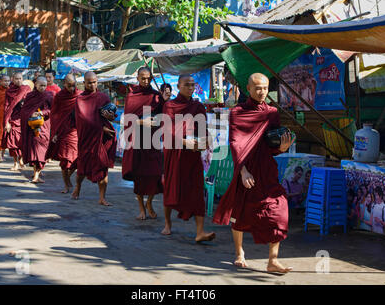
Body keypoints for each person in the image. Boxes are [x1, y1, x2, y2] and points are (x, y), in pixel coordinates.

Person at [213, 73, 295, 274]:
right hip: (246, 169)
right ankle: (239, 253)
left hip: (266, 169)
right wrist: (243, 171)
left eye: (265, 88)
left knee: (279, 209)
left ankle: (273, 260)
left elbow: (271, 144)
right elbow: (235, 143)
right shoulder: (238, 112)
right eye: (257, 88)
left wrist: (282, 148)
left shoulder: (272, 113)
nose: (262, 92)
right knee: (241, 212)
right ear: (247, 88)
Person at [161, 74, 216, 243]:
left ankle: (200, 231)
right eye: (187, 85)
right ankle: (167, 223)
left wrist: (205, 141)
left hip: (192, 154)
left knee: (197, 190)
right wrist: (184, 141)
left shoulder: (198, 106)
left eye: (193, 85)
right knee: (172, 187)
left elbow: (203, 128)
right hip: (175, 152)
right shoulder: (170, 106)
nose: (191, 88)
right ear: (178, 86)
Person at [122, 67, 169, 220]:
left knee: (156, 175)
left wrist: (165, 100)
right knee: (140, 177)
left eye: (148, 78)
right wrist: (142, 121)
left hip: (153, 141)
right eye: (143, 78)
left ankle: (149, 203)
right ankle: (142, 208)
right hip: (137, 142)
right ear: (137, 77)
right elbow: (127, 120)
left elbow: (165, 113)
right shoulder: (132, 96)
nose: (146, 81)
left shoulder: (156, 96)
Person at [72, 71, 117, 206]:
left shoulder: (103, 97)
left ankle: (102, 197)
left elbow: (111, 115)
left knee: (103, 166)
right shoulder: (80, 100)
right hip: (87, 138)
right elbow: (83, 119)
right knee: (82, 168)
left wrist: (110, 117)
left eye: (94, 82)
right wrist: (100, 128)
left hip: (101, 139)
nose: (92, 85)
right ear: (84, 83)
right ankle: (78, 187)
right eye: (89, 82)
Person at [46, 74, 82, 193]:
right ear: (64, 84)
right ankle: (66, 184)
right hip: (63, 130)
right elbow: (55, 114)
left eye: (73, 85)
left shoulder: (80, 95)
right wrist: (54, 132)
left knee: (77, 159)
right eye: (69, 86)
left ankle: (68, 178)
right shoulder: (60, 96)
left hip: (76, 131)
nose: (72, 89)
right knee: (65, 160)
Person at [20, 76, 53, 183]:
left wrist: (42, 113)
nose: (43, 88)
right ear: (36, 85)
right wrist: (31, 114)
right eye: (40, 85)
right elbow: (24, 110)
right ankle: (36, 174)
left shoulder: (49, 95)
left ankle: (37, 173)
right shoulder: (30, 96)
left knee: (42, 150)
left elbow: (53, 110)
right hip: (32, 126)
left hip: (44, 127)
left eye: (44, 85)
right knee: (35, 150)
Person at [3, 72, 32, 171]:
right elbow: (7, 106)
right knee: (12, 143)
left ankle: (21, 159)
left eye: (20, 78)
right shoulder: (9, 91)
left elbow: (30, 102)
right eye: (16, 79)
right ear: (13, 79)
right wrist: (6, 121)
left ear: (22, 79)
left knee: (23, 142)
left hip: (23, 119)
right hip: (13, 119)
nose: (18, 80)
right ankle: (15, 163)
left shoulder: (26, 89)